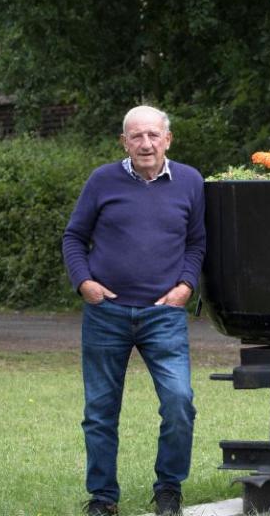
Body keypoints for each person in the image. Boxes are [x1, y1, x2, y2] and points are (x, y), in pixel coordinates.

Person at [62, 105, 205, 516]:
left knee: (179, 402)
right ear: (124, 142)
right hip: (107, 313)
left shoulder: (190, 182)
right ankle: (103, 498)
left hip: (164, 314)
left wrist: (185, 286)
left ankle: (168, 490)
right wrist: (84, 283)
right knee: (100, 411)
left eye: (153, 136)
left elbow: (196, 242)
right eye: (136, 137)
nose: (146, 144)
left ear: (168, 139)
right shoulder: (102, 180)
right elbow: (74, 237)